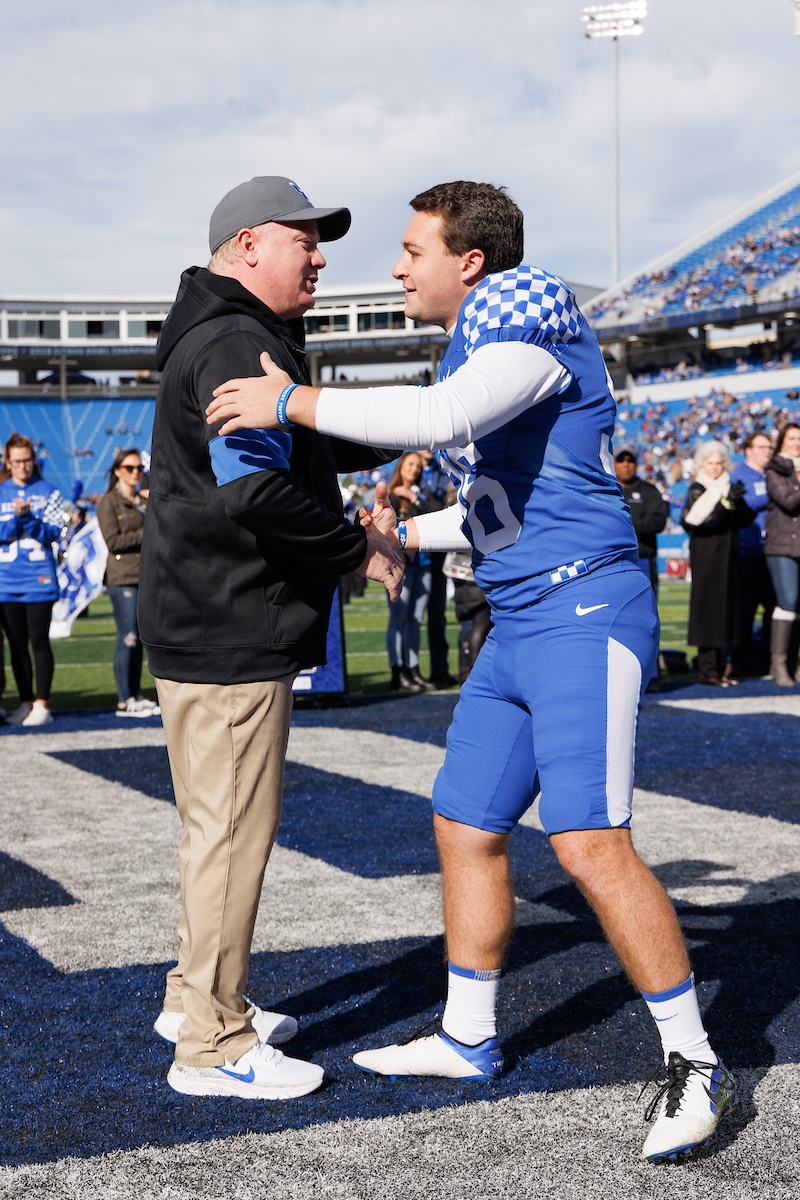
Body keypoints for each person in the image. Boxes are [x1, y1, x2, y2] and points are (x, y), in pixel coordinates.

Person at [205, 179, 736, 1163]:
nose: (397, 266)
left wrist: (289, 401)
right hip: (523, 615)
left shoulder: (526, 329)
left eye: (412, 250)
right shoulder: (484, 346)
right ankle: (466, 1036)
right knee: (463, 822)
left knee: (585, 843)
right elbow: (495, 511)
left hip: (582, 612)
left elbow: (436, 415)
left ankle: (693, 1061)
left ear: (471, 262)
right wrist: (394, 533)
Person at [137, 175, 402, 1101]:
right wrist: (351, 547)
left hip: (203, 619)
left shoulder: (220, 331)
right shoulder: (238, 338)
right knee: (232, 838)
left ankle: (192, 997)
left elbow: (297, 443)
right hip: (230, 625)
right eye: (305, 240)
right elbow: (251, 487)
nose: (321, 255)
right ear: (249, 245)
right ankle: (211, 1041)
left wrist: (410, 425)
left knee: (212, 832)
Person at [0, 433, 64, 727]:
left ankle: (42, 703)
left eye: (27, 460)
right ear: (7, 462)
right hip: (7, 581)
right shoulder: (1, 491)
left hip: (38, 580)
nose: (22, 466)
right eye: (16, 461)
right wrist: (17, 518)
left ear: (33, 461)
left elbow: (53, 534)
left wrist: (27, 519)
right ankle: (25, 702)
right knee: (16, 645)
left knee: (39, 641)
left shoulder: (50, 492)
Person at [681, 441, 753, 687]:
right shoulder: (697, 489)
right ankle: (708, 670)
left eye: (718, 463)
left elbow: (746, 519)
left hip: (729, 556)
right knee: (709, 612)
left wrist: (737, 503)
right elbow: (697, 523)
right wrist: (726, 506)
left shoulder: (728, 487)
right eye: (710, 463)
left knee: (727, 611)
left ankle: (723, 669)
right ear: (702, 464)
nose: (714, 468)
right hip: (707, 558)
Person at [96, 449, 160, 717]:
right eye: (130, 468)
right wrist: (146, 532)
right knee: (128, 638)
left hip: (146, 576)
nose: (136, 473)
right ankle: (124, 699)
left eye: (139, 469)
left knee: (142, 640)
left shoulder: (144, 501)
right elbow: (113, 542)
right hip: (122, 578)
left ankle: (135, 695)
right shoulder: (108, 502)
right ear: (118, 471)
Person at [386, 452, 434, 692]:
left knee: (415, 621)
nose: (415, 469)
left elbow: (437, 512)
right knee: (399, 619)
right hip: (400, 566)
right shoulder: (391, 497)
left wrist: (414, 498)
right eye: (410, 464)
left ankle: (413, 670)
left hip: (423, 565)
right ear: (401, 466)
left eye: (418, 466)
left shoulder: (420, 495)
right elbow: (388, 533)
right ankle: (398, 670)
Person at [730, 432, 775, 678]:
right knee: (744, 611)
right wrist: (775, 493)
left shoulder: (772, 475)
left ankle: (771, 660)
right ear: (748, 450)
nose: (767, 451)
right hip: (748, 554)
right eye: (761, 447)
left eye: (769, 447)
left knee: (776, 609)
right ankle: (738, 662)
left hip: (774, 553)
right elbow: (745, 503)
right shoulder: (738, 476)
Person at [418, 449, 458, 688]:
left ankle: (439, 668)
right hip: (414, 554)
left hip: (437, 553)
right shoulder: (410, 468)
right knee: (407, 618)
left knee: (437, 615)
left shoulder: (443, 468)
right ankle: (405, 671)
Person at [764, 423, 800, 686]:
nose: (797, 443)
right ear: (782, 442)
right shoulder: (775, 469)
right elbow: (788, 501)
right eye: (792, 438)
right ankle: (779, 665)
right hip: (781, 545)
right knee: (788, 600)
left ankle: (795, 665)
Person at [613, 444, 669, 593]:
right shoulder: (607, 490)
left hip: (643, 560)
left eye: (630, 460)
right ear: (613, 463)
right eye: (621, 460)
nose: (626, 464)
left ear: (636, 464)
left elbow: (658, 521)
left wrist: (625, 527)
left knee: (646, 611)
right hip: (612, 561)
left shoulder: (649, 491)